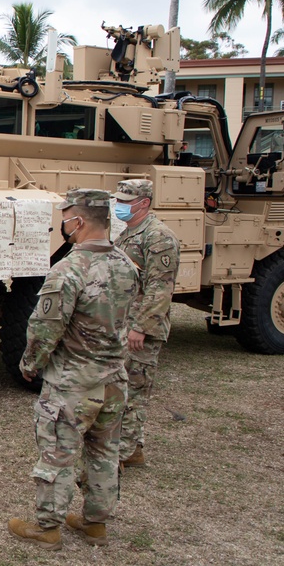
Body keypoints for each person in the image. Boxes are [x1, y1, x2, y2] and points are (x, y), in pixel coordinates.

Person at [9, 189, 139, 550]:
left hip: (73, 383)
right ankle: (95, 523)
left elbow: (45, 328)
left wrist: (29, 365)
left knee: (58, 454)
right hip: (114, 379)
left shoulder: (68, 269)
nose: (62, 224)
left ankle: (47, 527)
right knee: (104, 452)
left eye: (65, 218)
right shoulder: (126, 265)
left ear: (77, 221)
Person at [112, 179, 180, 468]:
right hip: (123, 324)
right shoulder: (128, 234)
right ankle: (129, 447)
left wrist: (141, 326)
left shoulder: (159, 237)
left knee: (134, 391)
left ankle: (125, 453)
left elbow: (160, 288)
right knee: (119, 388)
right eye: (120, 200)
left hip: (141, 328)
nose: (121, 206)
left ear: (144, 203)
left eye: (127, 202)